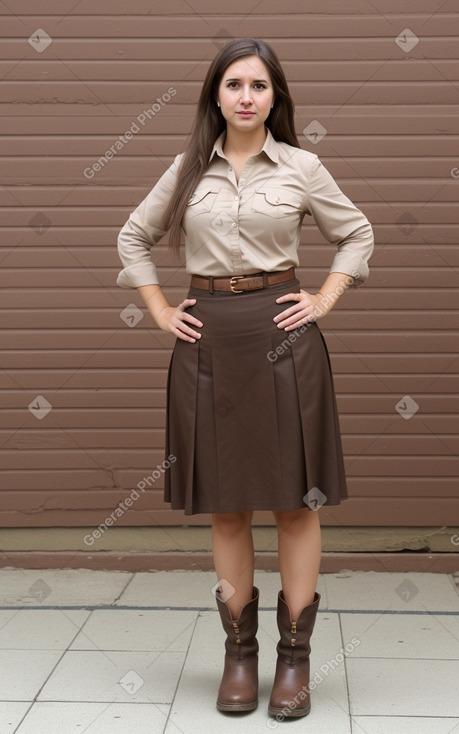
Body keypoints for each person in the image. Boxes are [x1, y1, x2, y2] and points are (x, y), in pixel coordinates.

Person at [116, 38, 374, 719]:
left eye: (258, 85)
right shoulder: (185, 171)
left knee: (296, 500)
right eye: (233, 84)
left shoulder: (301, 166)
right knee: (227, 503)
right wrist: (160, 310)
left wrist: (322, 298)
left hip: (283, 336)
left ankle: (294, 660)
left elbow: (356, 234)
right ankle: (239, 656)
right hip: (209, 342)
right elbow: (132, 238)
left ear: (274, 98)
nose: (245, 96)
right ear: (216, 95)